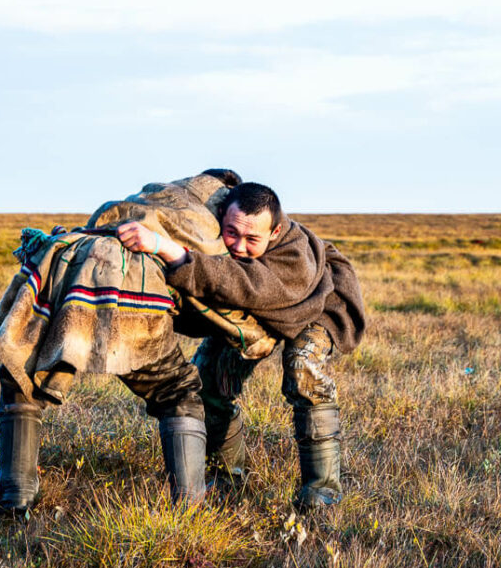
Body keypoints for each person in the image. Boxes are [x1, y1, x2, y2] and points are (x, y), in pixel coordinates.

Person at [0, 169, 266, 511]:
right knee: (176, 392)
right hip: (131, 286)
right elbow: (216, 276)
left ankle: (14, 497)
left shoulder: (154, 194)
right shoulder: (211, 214)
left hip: (70, 268)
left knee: (22, 378)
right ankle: (190, 508)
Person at [116, 182, 366, 510]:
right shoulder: (213, 235)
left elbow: (249, 285)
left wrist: (171, 252)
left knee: (303, 367)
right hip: (251, 314)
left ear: (274, 231)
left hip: (316, 306)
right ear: (222, 216)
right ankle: (228, 478)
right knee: (209, 380)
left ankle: (322, 495)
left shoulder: (293, 255)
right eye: (232, 233)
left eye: (252, 239)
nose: (239, 246)